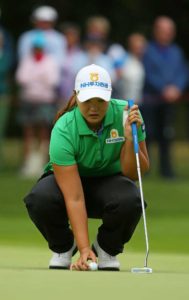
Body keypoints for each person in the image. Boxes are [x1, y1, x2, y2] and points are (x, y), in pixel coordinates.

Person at [23, 64, 149, 271]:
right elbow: (74, 197)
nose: (94, 107)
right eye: (87, 100)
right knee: (40, 199)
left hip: (109, 183)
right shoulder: (64, 127)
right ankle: (64, 246)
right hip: (67, 187)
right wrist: (82, 249)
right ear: (76, 95)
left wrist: (128, 139)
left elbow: (135, 173)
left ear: (109, 97)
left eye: (100, 100)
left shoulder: (128, 115)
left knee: (131, 199)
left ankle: (106, 248)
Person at [142, 16, 188, 178]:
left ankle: (167, 170)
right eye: (163, 30)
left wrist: (177, 88)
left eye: (169, 31)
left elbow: (182, 72)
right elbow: (148, 74)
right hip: (151, 101)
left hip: (169, 102)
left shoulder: (176, 51)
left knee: (167, 135)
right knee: (148, 134)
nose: (166, 34)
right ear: (156, 31)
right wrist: (164, 89)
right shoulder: (148, 50)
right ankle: (145, 169)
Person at [16, 32, 60, 178]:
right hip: (29, 100)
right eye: (35, 47)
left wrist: (34, 78)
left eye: (39, 47)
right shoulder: (27, 60)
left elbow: (53, 80)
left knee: (43, 132)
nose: (37, 49)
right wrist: (39, 78)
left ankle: (42, 163)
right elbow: (21, 78)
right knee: (28, 132)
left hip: (44, 100)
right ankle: (28, 164)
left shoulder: (50, 61)